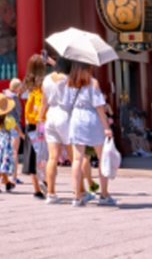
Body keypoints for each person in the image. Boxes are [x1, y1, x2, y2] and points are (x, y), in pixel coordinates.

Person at [66, 60, 114, 206]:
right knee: (101, 157)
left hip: (76, 118)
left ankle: (77, 196)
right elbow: (99, 107)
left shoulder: (70, 82)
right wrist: (106, 127)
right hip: (91, 118)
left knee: (76, 159)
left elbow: (67, 103)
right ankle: (104, 195)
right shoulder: (93, 83)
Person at [42, 57, 73, 204]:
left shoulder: (46, 79)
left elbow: (43, 102)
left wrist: (40, 119)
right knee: (75, 157)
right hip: (64, 114)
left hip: (50, 115)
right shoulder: (68, 79)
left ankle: (51, 194)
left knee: (52, 157)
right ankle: (79, 190)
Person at [23, 55, 48, 198]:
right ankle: (45, 180)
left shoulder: (27, 83)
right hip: (43, 122)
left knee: (32, 155)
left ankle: (36, 190)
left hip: (30, 123)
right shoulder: (45, 83)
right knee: (44, 153)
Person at [0, 93, 21, 193]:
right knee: (4, 163)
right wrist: (24, 136)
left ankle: (7, 185)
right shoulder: (9, 119)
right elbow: (17, 129)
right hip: (6, 142)